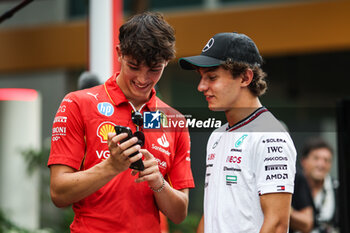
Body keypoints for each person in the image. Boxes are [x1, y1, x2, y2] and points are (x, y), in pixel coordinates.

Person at [48, 12, 194, 233]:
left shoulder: (173, 121)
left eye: (154, 69)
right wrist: (111, 166)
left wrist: (159, 183)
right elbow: (58, 193)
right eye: (134, 66)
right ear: (119, 53)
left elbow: (179, 213)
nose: (143, 79)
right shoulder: (78, 104)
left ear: (166, 62)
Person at [179, 32, 297, 233]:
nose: (201, 87)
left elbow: (277, 224)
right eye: (201, 78)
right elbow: (212, 213)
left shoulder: (270, 135)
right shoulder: (217, 135)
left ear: (245, 77)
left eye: (212, 77)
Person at [300, 138, 338, 233]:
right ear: (303, 161)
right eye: (316, 158)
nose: (321, 164)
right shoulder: (290, 188)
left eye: (326, 160)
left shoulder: (338, 189)